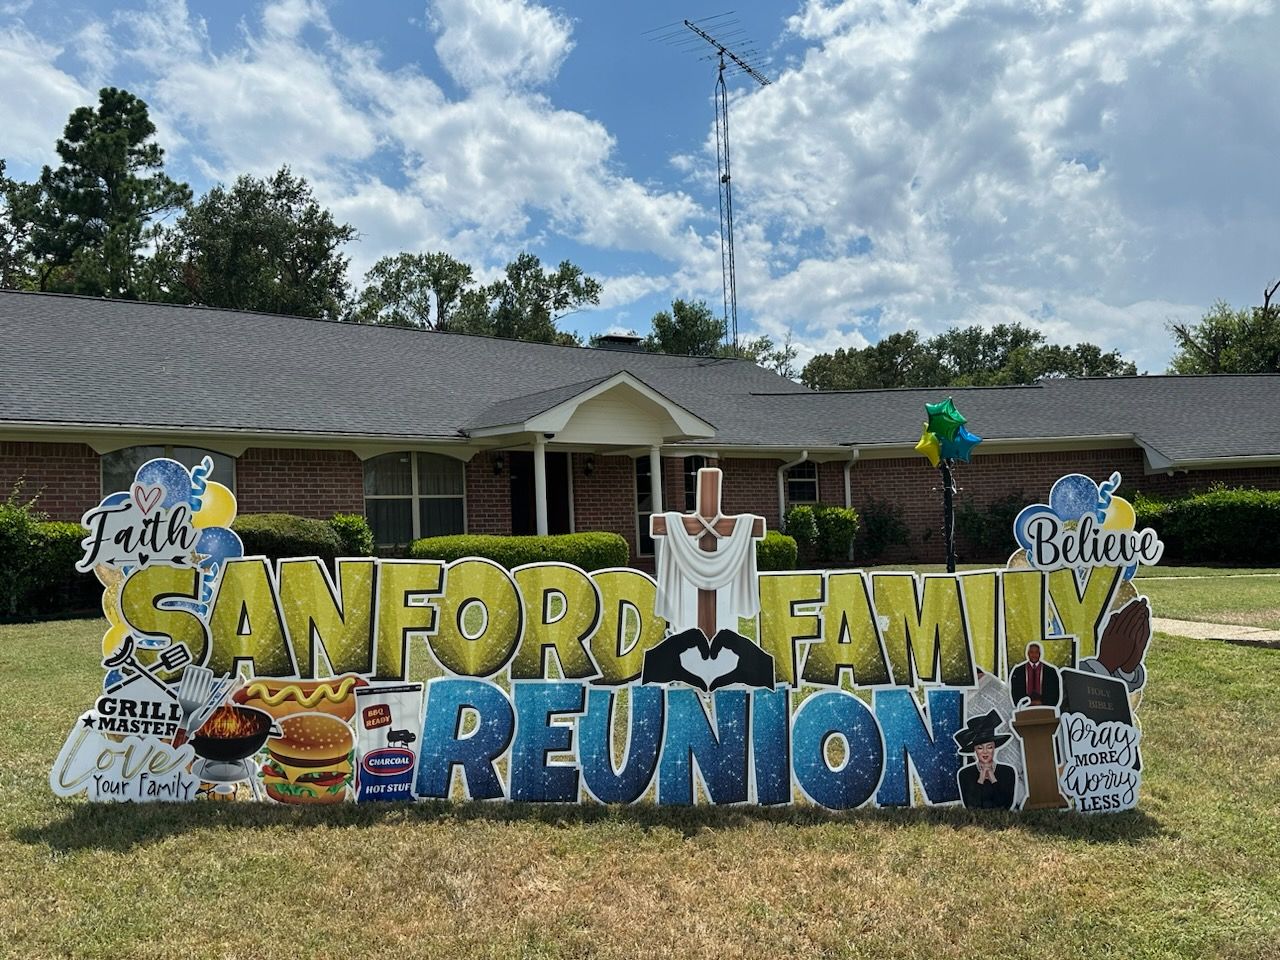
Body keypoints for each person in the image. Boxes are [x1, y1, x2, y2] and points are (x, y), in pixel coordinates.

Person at [954, 710, 1017, 810]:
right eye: (980, 748)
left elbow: (1005, 805)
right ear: (974, 750)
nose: (985, 752)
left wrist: (993, 779)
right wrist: (980, 780)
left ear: (994, 748)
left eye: (989, 747)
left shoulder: (1008, 772)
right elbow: (971, 805)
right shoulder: (965, 774)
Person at [1009, 642, 1061, 708]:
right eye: (1031, 652)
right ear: (1028, 654)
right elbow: (1015, 692)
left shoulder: (1051, 671)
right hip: (1024, 708)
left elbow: (1055, 692)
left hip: (1045, 708)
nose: (1034, 655)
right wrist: (1027, 703)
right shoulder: (1018, 671)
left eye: (1036, 652)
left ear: (1040, 654)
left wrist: (1043, 702)